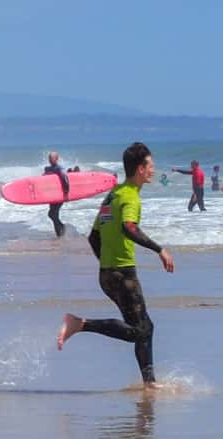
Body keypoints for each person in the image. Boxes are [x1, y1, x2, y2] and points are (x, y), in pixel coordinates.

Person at [58, 142, 174, 387]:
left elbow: (93, 237)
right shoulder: (130, 197)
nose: (153, 170)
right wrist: (159, 249)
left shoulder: (113, 195)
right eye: (151, 166)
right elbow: (129, 227)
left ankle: (149, 382)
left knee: (144, 327)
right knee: (139, 331)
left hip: (108, 274)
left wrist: (107, 265)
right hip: (122, 275)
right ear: (140, 169)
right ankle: (80, 324)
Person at [43, 151, 71, 238]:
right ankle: (59, 234)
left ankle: (61, 228)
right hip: (52, 195)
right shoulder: (48, 169)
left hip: (60, 194)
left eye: (52, 158)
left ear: (57, 159)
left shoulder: (59, 168)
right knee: (53, 214)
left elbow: (65, 178)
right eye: (49, 158)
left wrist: (66, 192)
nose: (50, 160)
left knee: (52, 214)